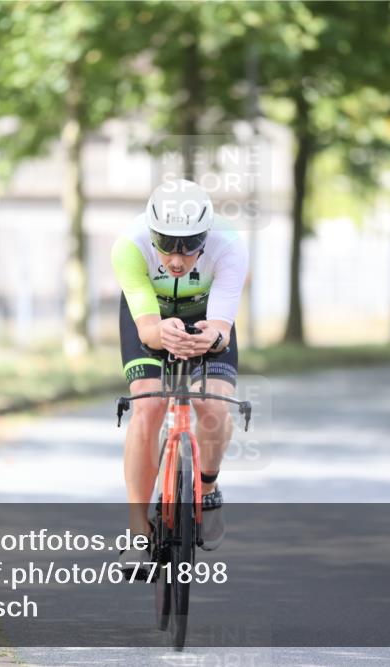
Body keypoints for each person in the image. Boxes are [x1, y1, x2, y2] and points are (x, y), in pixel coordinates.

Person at [111, 178, 248, 575]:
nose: (176, 257)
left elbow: (221, 325)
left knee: (215, 406)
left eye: (189, 244)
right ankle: (138, 534)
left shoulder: (230, 244)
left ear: (206, 235)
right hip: (151, 318)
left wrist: (212, 337)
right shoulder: (129, 245)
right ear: (150, 231)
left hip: (206, 317)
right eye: (166, 242)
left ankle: (207, 488)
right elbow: (147, 330)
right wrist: (160, 334)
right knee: (149, 405)